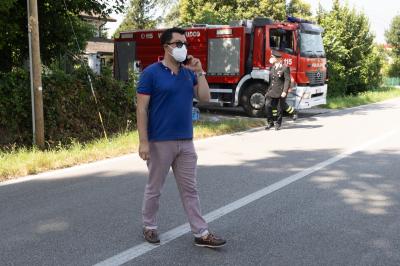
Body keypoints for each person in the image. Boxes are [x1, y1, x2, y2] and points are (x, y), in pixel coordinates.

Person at [136, 27, 226, 248]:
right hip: (160, 141)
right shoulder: (151, 73)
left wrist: (200, 71)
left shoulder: (188, 73)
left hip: (186, 141)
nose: (183, 47)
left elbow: (205, 98)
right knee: (155, 188)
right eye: (178, 43)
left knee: (190, 189)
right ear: (166, 47)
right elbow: (141, 109)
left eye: (184, 44)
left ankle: (201, 233)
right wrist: (144, 141)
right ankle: (149, 226)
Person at [265, 50, 291, 130]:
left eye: (272, 57)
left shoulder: (285, 67)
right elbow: (271, 81)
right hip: (271, 90)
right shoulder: (272, 67)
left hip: (280, 91)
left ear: (278, 59)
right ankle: (270, 122)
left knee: (279, 108)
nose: (271, 58)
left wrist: (284, 91)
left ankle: (278, 123)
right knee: (267, 105)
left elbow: (287, 80)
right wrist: (267, 91)